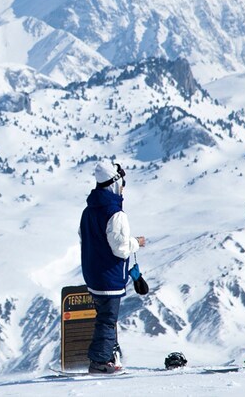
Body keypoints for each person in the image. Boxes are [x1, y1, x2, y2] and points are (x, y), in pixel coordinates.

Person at [79, 159, 146, 374]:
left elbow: (85, 237)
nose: (124, 188)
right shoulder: (115, 213)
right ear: (114, 183)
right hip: (109, 275)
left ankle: (108, 357)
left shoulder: (88, 211)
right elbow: (121, 249)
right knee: (108, 320)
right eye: (123, 183)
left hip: (93, 273)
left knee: (103, 318)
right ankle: (99, 361)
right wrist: (137, 242)